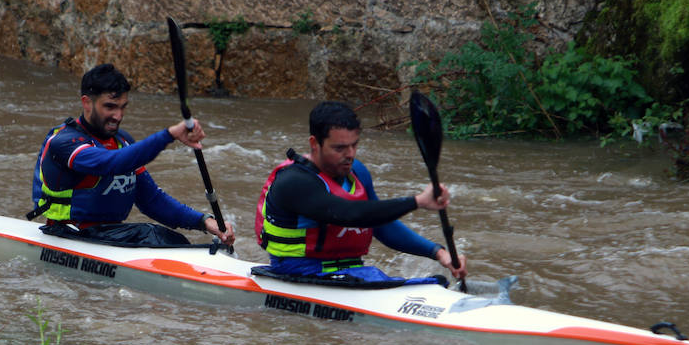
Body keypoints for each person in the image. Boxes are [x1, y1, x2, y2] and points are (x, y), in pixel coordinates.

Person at [254, 100, 466, 284]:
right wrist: (417, 201)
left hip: (351, 272)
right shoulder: (294, 181)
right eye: (340, 148)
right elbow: (351, 214)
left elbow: (381, 226)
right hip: (298, 272)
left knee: (436, 283)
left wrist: (437, 252)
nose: (350, 154)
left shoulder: (357, 173)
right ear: (314, 143)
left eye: (354, 145)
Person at [31, 63, 235, 248]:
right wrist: (169, 135)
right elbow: (111, 164)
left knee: (169, 238)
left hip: (106, 236)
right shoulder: (64, 142)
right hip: (67, 235)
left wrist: (205, 222)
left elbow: (151, 200)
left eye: (122, 107)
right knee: (152, 235)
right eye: (110, 107)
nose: (118, 116)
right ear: (87, 103)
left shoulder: (122, 141)